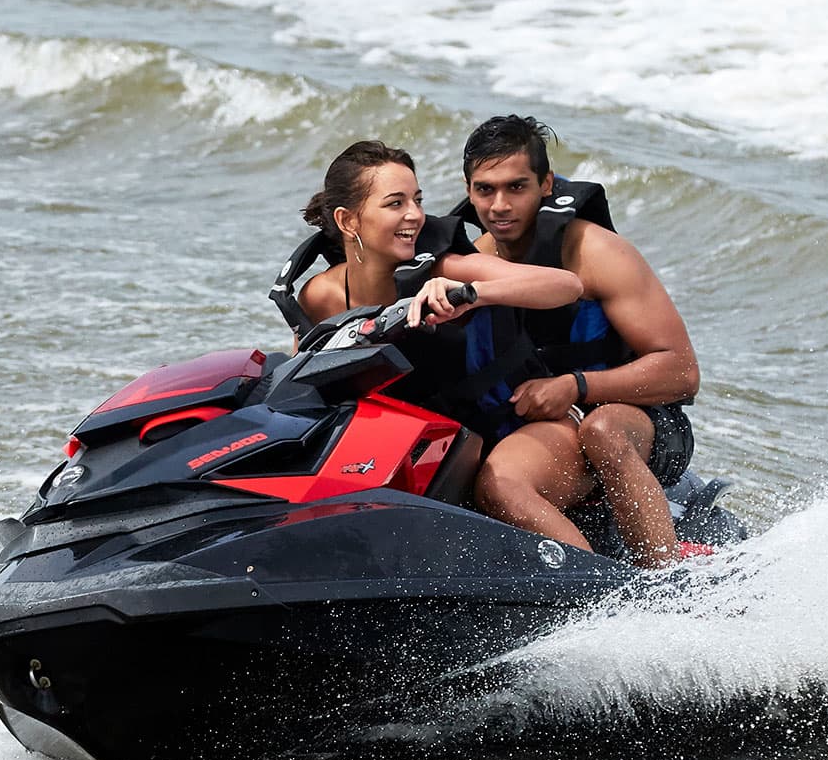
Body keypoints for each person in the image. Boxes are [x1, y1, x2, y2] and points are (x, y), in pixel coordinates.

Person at [454, 115, 700, 567]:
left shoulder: (598, 253)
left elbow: (682, 373)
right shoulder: (471, 263)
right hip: (549, 427)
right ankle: (589, 588)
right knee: (490, 480)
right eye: (485, 190)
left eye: (516, 187)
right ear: (468, 191)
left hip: (637, 419)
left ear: (546, 184)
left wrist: (576, 386)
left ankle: (665, 582)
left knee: (601, 430)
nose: (500, 205)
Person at [271, 140, 582, 431]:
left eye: (417, 200)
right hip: (407, 438)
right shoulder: (318, 296)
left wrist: (472, 294)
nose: (416, 215)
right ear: (348, 221)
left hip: (511, 422)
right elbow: (299, 387)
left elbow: (567, 285)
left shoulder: (443, 269)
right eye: (396, 203)